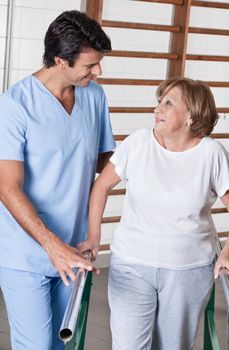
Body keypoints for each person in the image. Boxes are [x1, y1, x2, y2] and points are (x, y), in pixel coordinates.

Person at [78, 77, 229, 350]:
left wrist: (227, 253)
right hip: (132, 264)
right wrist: (93, 237)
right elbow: (101, 186)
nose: (157, 109)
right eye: (159, 102)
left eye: (168, 103)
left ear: (191, 115)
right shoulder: (138, 143)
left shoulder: (212, 154)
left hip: (188, 270)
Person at [0, 10, 115, 350]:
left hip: (76, 248)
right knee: (36, 345)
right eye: (90, 66)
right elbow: (7, 187)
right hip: (27, 253)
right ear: (59, 61)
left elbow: (105, 164)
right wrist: (51, 246)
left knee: (58, 344)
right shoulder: (14, 106)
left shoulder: (94, 96)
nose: (98, 72)